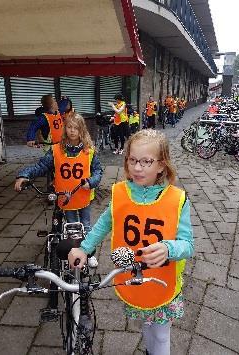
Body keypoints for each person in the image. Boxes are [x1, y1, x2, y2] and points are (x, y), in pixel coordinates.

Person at [68, 129, 194, 355]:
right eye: (132, 160)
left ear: (161, 165)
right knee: (145, 326)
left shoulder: (177, 199)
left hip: (162, 281)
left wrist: (168, 248)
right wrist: (84, 248)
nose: (137, 168)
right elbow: (104, 224)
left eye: (146, 161)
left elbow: (188, 244)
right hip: (132, 278)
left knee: (162, 334)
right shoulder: (120, 193)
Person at [15, 111, 103, 268]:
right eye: (69, 127)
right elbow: (41, 166)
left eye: (76, 128)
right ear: (65, 129)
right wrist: (24, 175)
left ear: (82, 130)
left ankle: (88, 254)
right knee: (72, 228)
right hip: (64, 197)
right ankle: (74, 252)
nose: (72, 130)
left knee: (86, 227)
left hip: (83, 196)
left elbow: (98, 171)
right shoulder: (56, 150)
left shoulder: (89, 151)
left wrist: (91, 182)